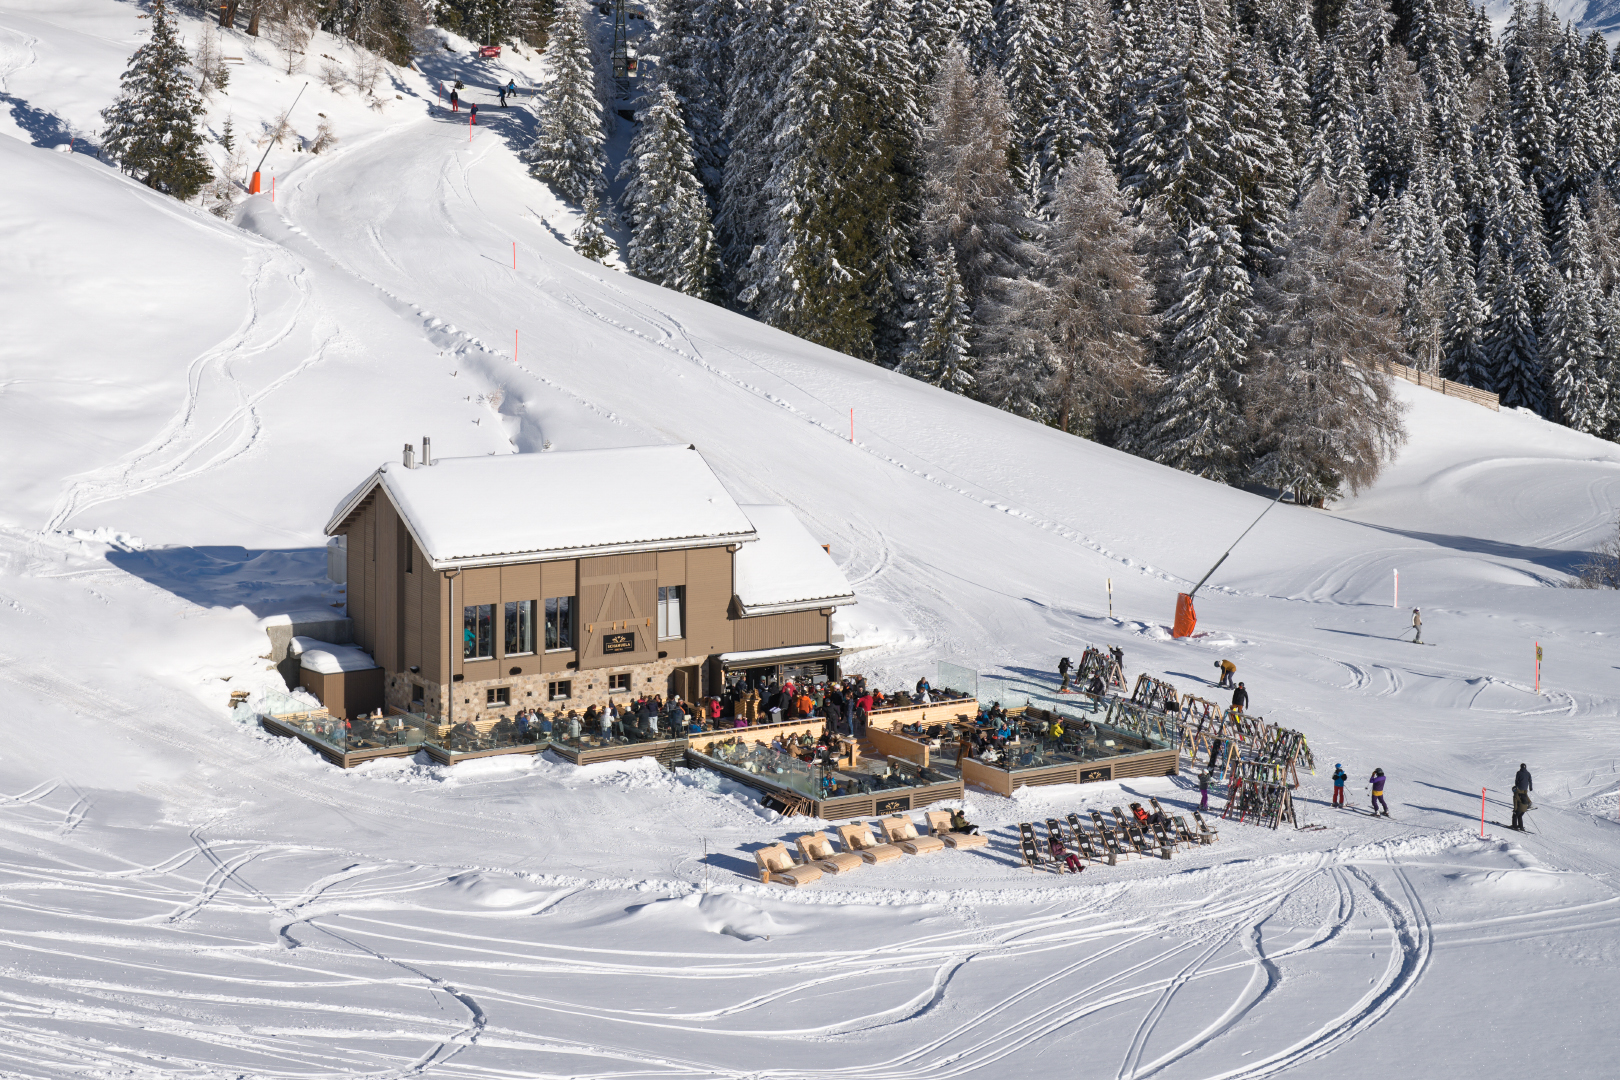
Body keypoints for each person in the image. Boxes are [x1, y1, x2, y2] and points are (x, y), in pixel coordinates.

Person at [1512, 763, 1533, 830]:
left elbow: (1516, 780)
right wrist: (1530, 787)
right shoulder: (1528, 773)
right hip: (1525, 788)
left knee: (1518, 797)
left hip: (1520, 788)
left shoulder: (1519, 773)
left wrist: (1516, 786)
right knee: (1525, 796)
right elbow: (1530, 780)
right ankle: (1529, 802)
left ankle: (1514, 826)